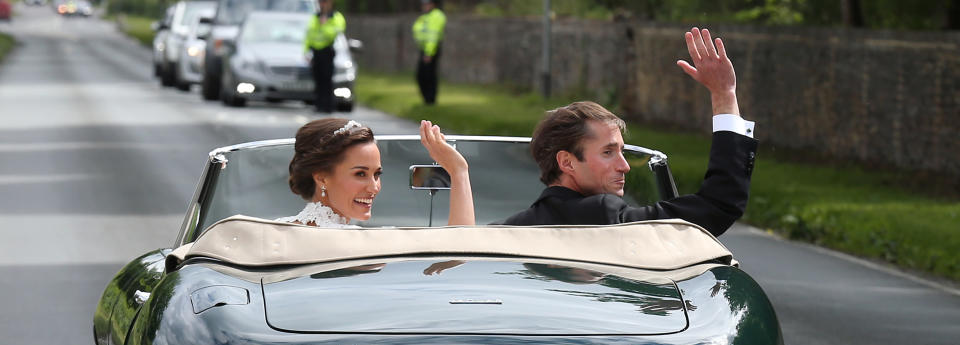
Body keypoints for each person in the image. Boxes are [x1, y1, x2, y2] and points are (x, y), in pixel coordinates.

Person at [501, 27, 757, 238]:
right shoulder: (602, 214)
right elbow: (719, 204)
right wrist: (724, 95)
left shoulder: (510, 230)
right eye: (608, 152)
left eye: (621, 152)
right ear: (567, 162)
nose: (624, 166)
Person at [279, 118, 474, 227]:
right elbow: (461, 248)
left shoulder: (280, 229)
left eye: (377, 175)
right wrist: (459, 171)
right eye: (360, 174)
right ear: (321, 177)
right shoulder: (365, 244)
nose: (374, 188)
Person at [304, 0, 345, 113]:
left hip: (327, 52)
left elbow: (333, 33)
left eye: (325, 2)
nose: (323, 5)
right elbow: (309, 34)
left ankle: (328, 106)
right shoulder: (315, 17)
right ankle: (319, 105)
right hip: (316, 53)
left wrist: (325, 24)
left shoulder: (336, 17)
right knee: (318, 79)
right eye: (321, 2)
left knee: (327, 79)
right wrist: (306, 51)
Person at [412, 0, 446, 105]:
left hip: (430, 50)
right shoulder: (425, 16)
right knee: (422, 75)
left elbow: (433, 37)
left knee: (428, 75)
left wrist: (428, 53)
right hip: (424, 49)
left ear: (433, 4)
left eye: (427, 4)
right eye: (423, 4)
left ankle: (430, 100)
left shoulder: (436, 16)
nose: (424, 6)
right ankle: (427, 99)